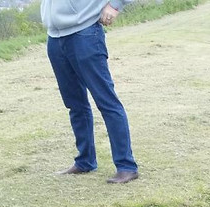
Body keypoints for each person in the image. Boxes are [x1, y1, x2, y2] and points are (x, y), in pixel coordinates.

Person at [42, 0, 139, 184]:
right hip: (55, 38)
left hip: (85, 33)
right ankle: (85, 161)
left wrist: (115, 5)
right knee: (75, 104)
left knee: (107, 102)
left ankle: (126, 166)